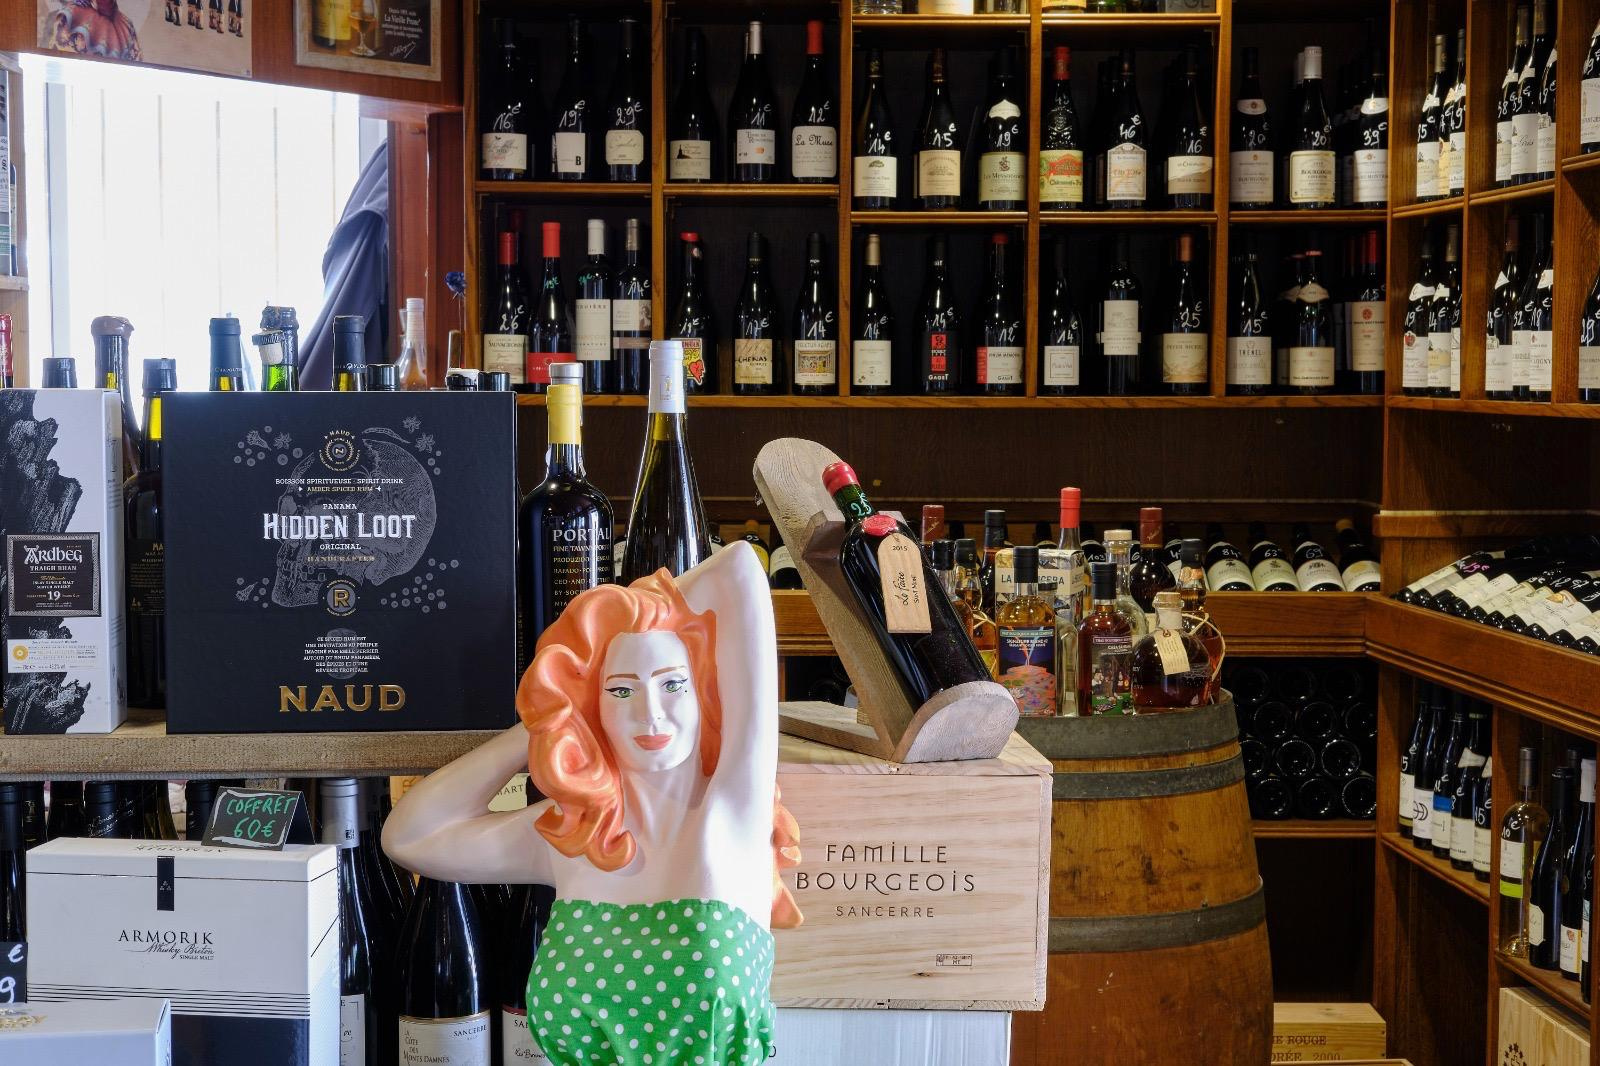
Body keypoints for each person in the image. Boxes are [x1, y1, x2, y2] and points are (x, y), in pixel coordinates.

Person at [384, 543, 801, 1066]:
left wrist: (640, 606)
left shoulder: (733, 814)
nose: (651, 713)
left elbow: (739, 566)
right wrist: (550, 718)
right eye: (621, 692)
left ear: (705, 693)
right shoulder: (575, 838)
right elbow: (410, 837)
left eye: (673, 684)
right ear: (593, 707)